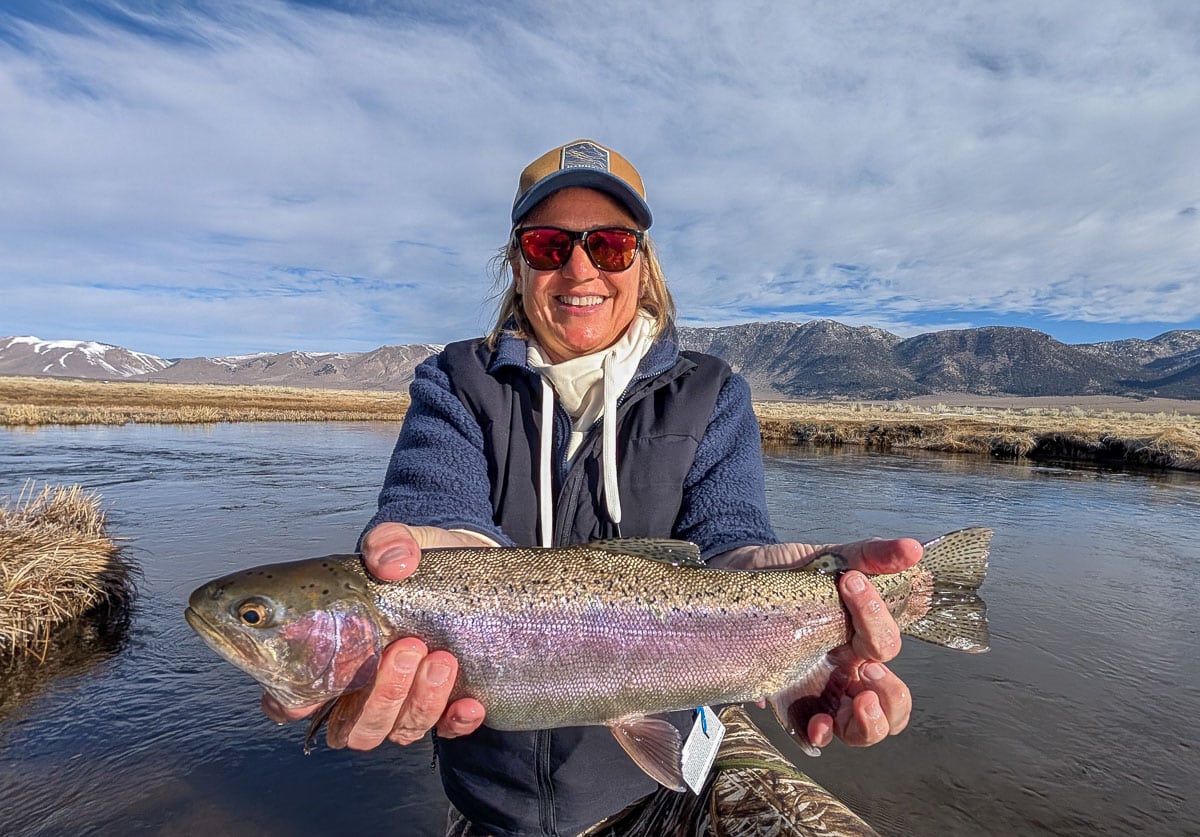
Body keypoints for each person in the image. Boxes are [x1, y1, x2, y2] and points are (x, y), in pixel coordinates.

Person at [264, 139, 920, 836]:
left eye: (608, 245)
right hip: (492, 800)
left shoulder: (711, 394)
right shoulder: (455, 383)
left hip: (665, 777)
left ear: (642, 261)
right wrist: (432, 556)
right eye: (549, 244)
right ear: (517, 263)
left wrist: (806, 635)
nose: (579, 267)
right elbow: (438, 512)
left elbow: (731, 547)